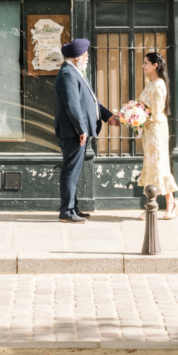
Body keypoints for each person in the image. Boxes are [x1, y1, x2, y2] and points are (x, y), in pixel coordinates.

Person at [53, 38, 114, 223]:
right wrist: (81, 129)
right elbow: (72, 105)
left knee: (74, 170)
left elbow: (92, 101)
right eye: (85, 55)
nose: (87, 57)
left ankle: (73, 208)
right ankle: (67, 211)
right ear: (76, 56)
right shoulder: (67, 74)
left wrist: (108, 116)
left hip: (78, 131)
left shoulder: (76, 72)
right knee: (71, 171)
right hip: (73, 132)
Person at [137, 51, 178, 219]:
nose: (143, 66)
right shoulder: (150, 83)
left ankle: (171, 204)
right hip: (148, 130)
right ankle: (152, 205)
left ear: (155, 65)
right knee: (151, 166)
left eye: (146, 63)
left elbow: (155, 113)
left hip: (155, 129)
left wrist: (137, 118)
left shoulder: (158, 85)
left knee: (159, 165)